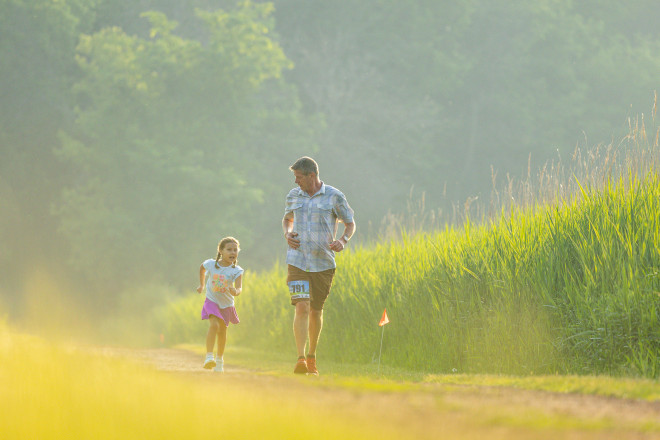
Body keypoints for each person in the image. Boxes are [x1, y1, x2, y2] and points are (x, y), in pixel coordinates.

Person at [282, 156, 355, 375]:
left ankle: (312, 356)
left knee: (315, 310)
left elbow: (350, 223)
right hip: (297, 261)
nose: (296, 182)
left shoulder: (334, 196)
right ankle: (300, 358)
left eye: (298, 177)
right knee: (302, 306)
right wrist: (287, 233)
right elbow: (287, 219)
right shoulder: (293, 196)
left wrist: (342, 240)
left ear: (311, 175)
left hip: (323, 263)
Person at [196, 237, 244, 373]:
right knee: (214, 325)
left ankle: (219, 361)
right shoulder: (212, 264)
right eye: (229, 249)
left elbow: (240, 288)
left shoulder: (237, 270)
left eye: (235, 250)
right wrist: (202, 284)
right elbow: (202, 268)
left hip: (227, 304)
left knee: (222, 332)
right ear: (221, 251)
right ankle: (209, 356)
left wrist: (236, 291)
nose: (232, 252)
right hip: (211, 301)